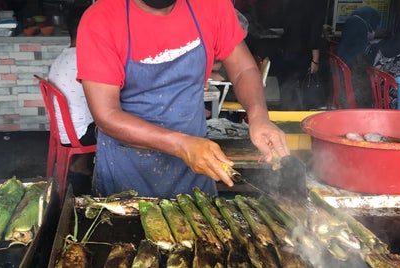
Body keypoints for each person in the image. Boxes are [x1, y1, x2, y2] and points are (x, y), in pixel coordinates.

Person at [76, 0, 288, 198]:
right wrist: (181, 145)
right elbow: (106, 116)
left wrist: (259, 115)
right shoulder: (101, 19)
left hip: (196, 163)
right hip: (128, 171)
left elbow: (244, 69)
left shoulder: (211, 5)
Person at [47, 6, 95, 175]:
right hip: (77, 135)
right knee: (115, 124)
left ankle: (79, 163)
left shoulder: (64, 56)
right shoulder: (85, 60)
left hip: (62, 130)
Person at [276, 0, 328, 110]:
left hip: (286, 50)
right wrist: (315, 60)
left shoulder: (291, 4)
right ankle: (302, 112)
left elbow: (289, 25)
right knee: (305, 85)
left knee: (287, 86)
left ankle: (286, 113)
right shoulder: (316, 5)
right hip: (303, 52)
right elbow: (314, 35)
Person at [336, 6, 381, 108]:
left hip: (343, 73)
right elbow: (363, 59)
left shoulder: (352, 22)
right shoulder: (360, 26)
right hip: (354, 81)